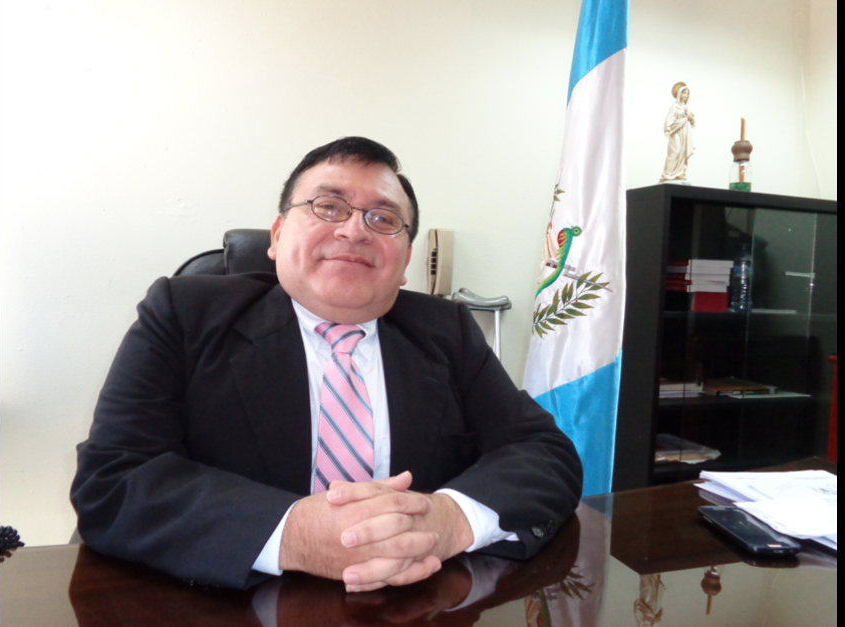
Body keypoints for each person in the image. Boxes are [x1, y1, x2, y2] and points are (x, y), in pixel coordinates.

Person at [71, 137, 583, 592]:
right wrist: (293, 534)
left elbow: (541, 450)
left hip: (416, 598)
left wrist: (450, 520)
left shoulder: (446, 331)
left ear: (404, 261)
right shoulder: (183, 314)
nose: (354, 231)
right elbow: (115, 479)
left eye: (382, 219)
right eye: (328, 206)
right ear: (275, 236)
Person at [659, 82, 695, 182]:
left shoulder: (688, 108)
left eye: (687, 93)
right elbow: (669, 119)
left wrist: (691, 118)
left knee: (682, 153)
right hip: (675, 131)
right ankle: (668, 174)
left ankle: (679, 173)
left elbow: (692, 123)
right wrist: (667, 129)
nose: (686, 95)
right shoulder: (674, 106)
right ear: (679, 94)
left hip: (685, 132)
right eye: (684, 93)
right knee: (675, 151)